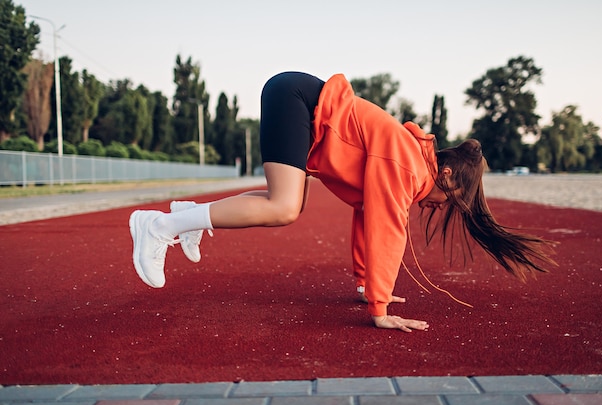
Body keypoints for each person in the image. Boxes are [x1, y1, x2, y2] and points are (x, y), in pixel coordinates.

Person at [130, 71, 555, 332]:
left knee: (285, 203)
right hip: (297, 100)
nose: (437, 206)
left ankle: (185, 218)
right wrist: (380, 308)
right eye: (447, 200)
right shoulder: (408, 166)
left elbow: (367, 214)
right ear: (444, 174)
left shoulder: (410, 162)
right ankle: (158, 227)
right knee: (283, 206)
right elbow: (389, 229)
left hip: (296, 99)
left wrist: (366, 284)